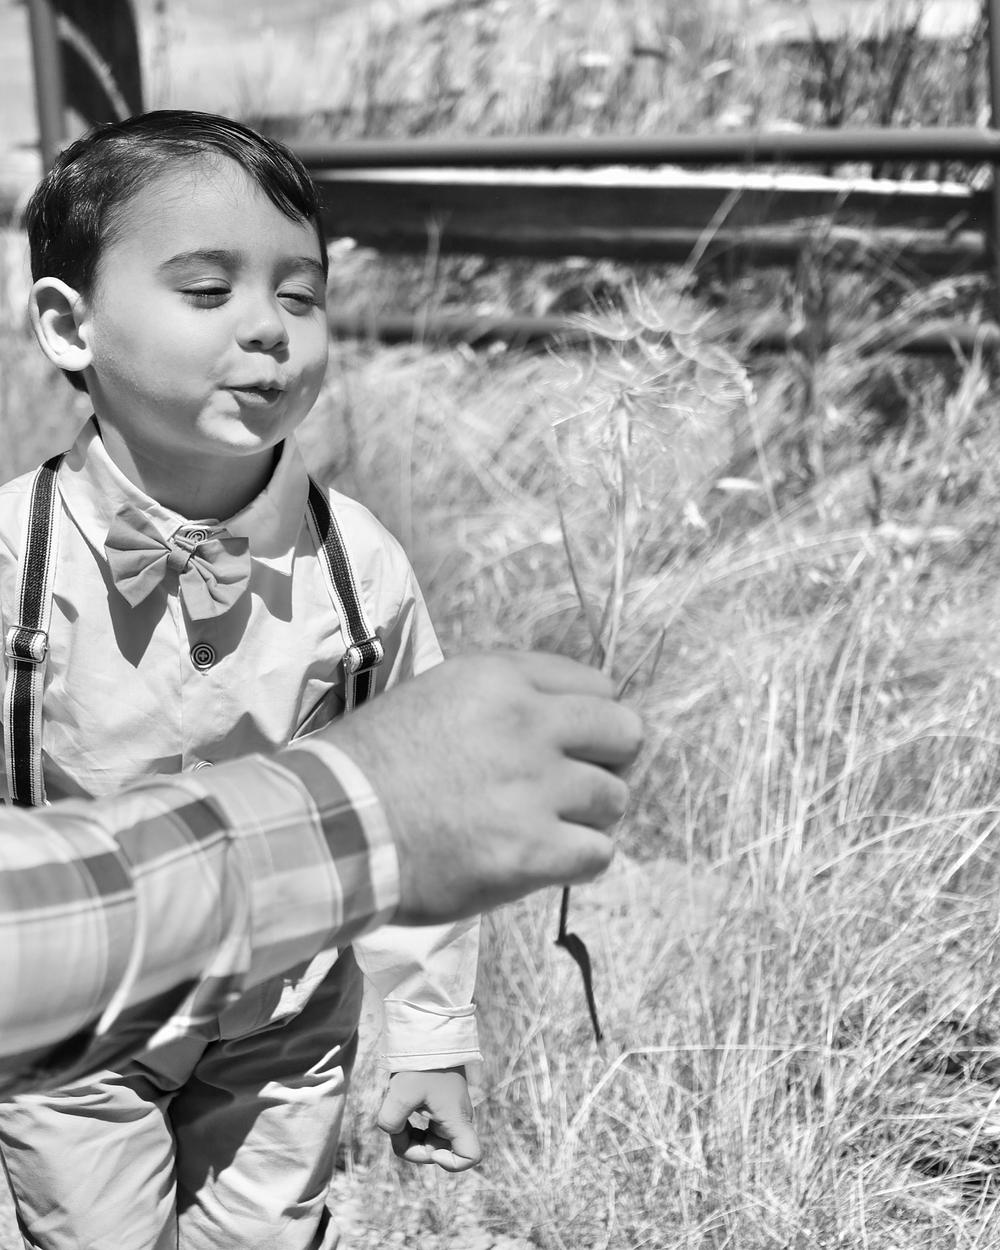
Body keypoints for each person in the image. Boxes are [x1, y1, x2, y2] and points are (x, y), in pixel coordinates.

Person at [0, 109, 524, 1249]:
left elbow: (416, 805)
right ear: (70, 325)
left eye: (299, 294)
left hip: (285, 1016)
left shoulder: (357, 566)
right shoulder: (14, 556)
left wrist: (430, 1034)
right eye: (207, 291)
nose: (267, 329)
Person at [0, 650, 640, 1096]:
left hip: (290, 1029)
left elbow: (429, 782)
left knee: (271, 1230)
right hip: (76, 1062)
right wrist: (358, 810)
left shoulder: (359, 557)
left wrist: (428, 1037)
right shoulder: (18, 540)